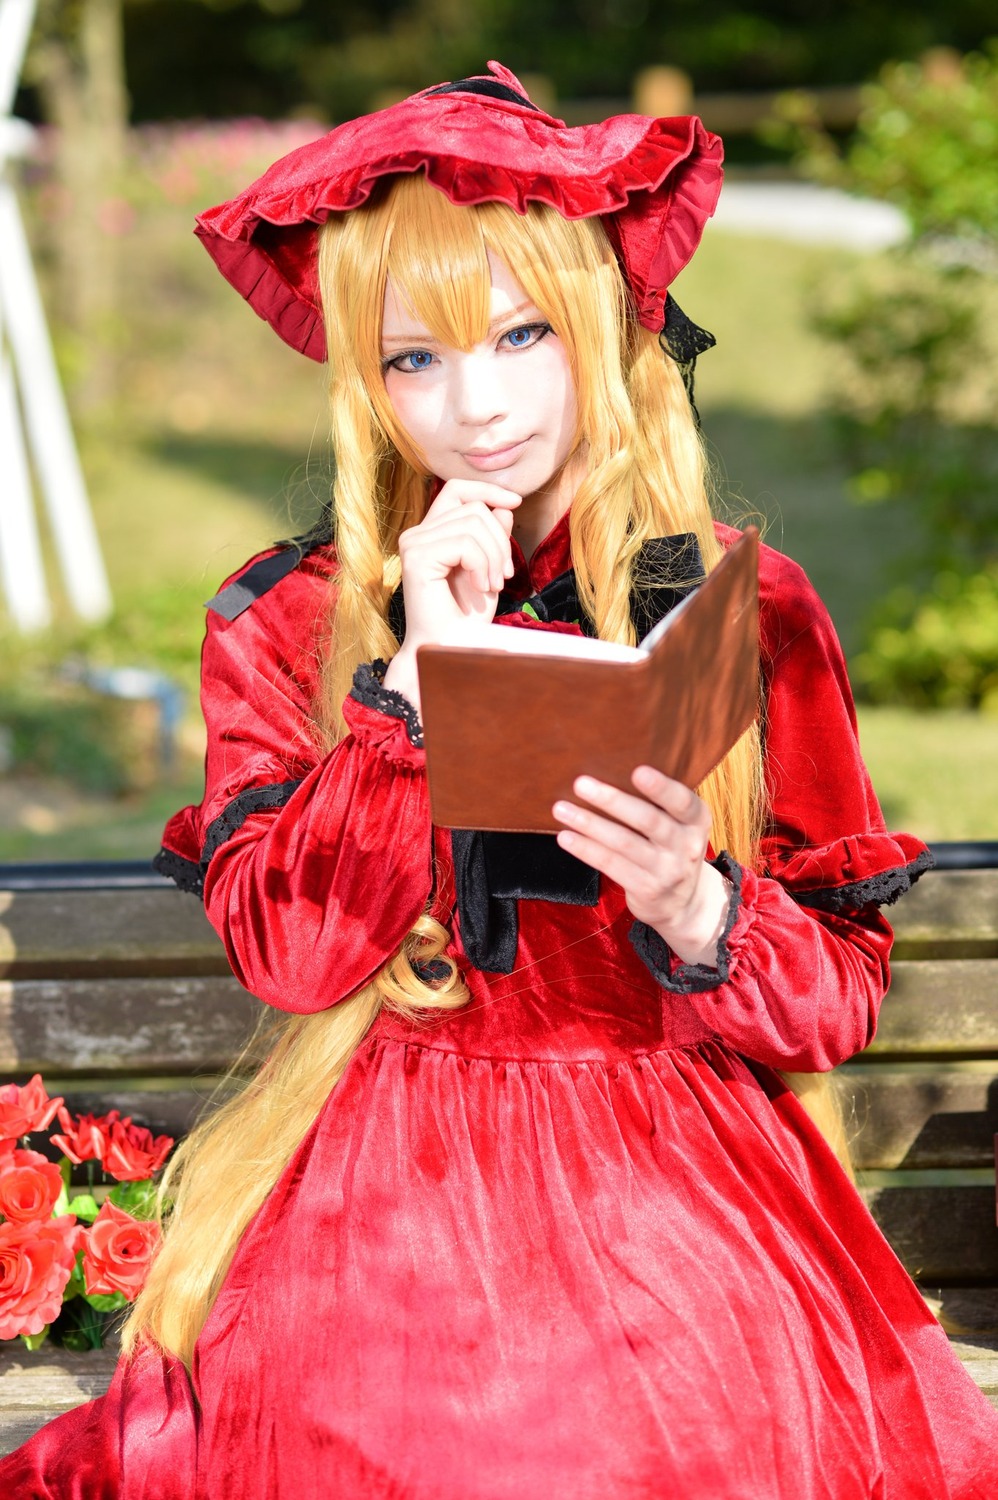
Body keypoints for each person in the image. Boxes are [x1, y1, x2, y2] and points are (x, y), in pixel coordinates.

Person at [4, 60, 997, 1500]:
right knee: (430, 1440)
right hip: (388, 1172)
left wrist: (699, 904)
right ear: (365, 381)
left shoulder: (737, 602)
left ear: (596, 323)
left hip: (677, 1168)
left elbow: (833, 1000)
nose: (474, 408)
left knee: (668, 1432)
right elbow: (291, 954)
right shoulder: (288, 614)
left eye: (519, 336)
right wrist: (409, 687)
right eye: (415, 360)